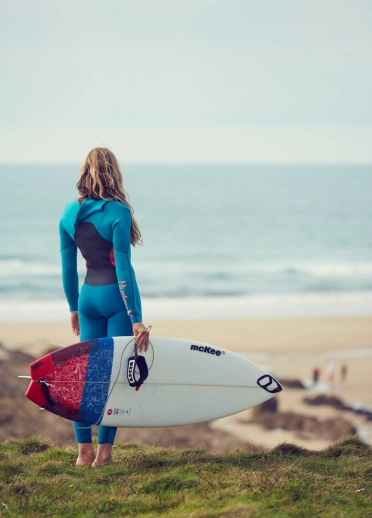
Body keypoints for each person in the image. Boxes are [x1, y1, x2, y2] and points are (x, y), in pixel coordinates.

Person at [59, 147, 149, 467]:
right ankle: (103, 454)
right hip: (114, 300)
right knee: (114, 378)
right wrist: (135, 318)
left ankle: (83, 452)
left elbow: (68, 269)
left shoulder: (69, 213)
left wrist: (73, 307)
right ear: (114, 172)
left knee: (88, 377)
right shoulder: (119, 212)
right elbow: (123, 268)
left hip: (87, 300)